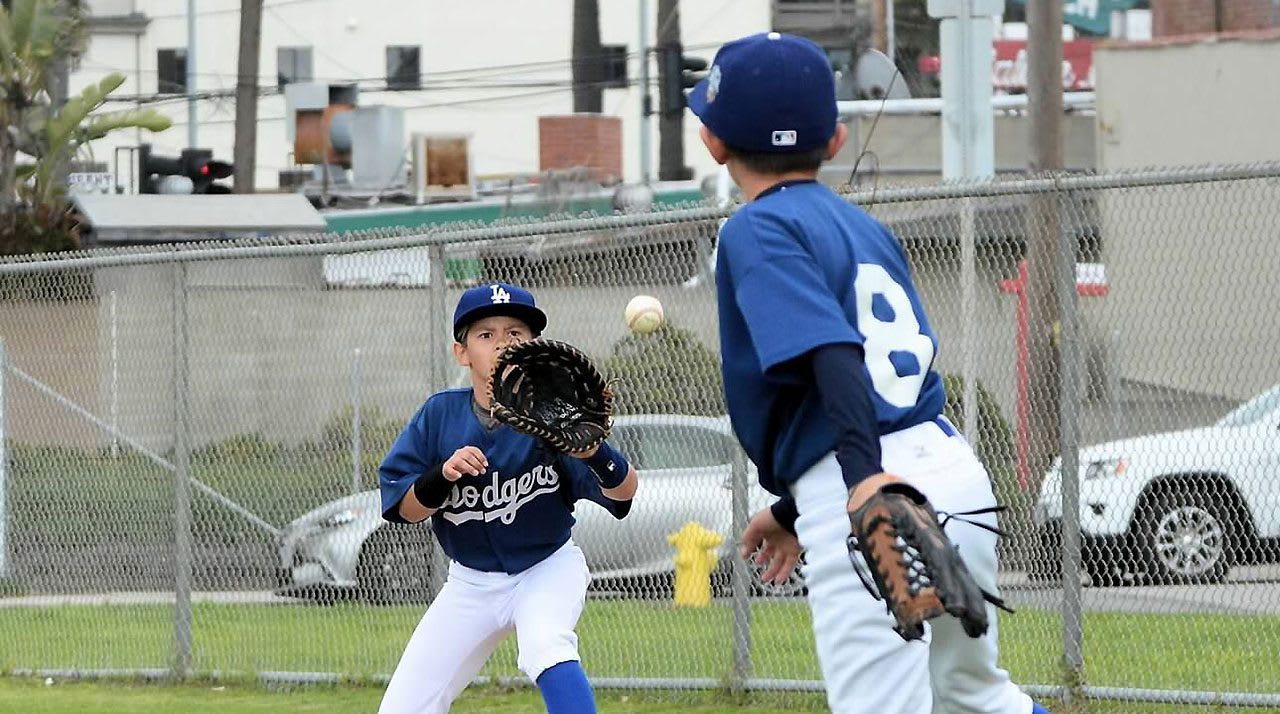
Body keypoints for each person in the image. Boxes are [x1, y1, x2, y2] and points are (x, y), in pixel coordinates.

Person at [687, 32, 1047, 714]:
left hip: (865, 483)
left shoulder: (754, 230)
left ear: (713, 139)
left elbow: (833, 353)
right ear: (837, 140)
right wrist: (793, 509)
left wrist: (858, 483)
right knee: (973, 693)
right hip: (948, 467)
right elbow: (863, 367)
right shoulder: (864, 227)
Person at [376, 282, 638, 714]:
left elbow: (624, 495)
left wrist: (595, 451)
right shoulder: (439, 415)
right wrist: (441, 476)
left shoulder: (555, 417)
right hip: (470, 582)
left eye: (516, 332)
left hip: (546, 568)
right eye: (486, 335)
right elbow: (403, 510)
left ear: (534, 345)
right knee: (404, 706)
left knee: (546, 646)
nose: (503, 343)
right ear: (462, 353)